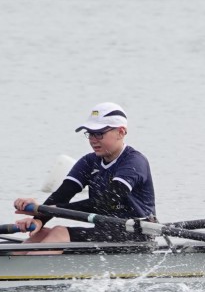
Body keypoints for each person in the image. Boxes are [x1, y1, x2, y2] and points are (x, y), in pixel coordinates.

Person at [13, 101, 156, 243]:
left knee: (59, 232)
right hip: (105, 232)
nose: (93, 140)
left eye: (99, 134)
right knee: (40, 235)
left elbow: (107, 201)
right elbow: (63, 194)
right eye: (90, 134)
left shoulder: (134, 162)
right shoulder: (88, 161)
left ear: (121, 132)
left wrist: (48, 209)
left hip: (137, 235)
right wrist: (39, 219)